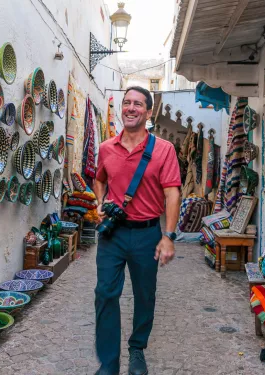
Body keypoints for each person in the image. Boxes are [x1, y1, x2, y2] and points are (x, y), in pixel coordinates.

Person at [93, 86, 182, 375]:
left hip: (147, 234)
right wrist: (100, 202)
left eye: (138, 104)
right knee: (105, 293)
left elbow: (172, 194)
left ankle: (137, 348)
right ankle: (108, 364)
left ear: (148, 111)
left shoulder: (163, 150)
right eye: (127, 102)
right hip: (113, 234)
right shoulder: (107, 148)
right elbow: (99, 179)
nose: (131, 108)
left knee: (145, 295)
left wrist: (168, 236)